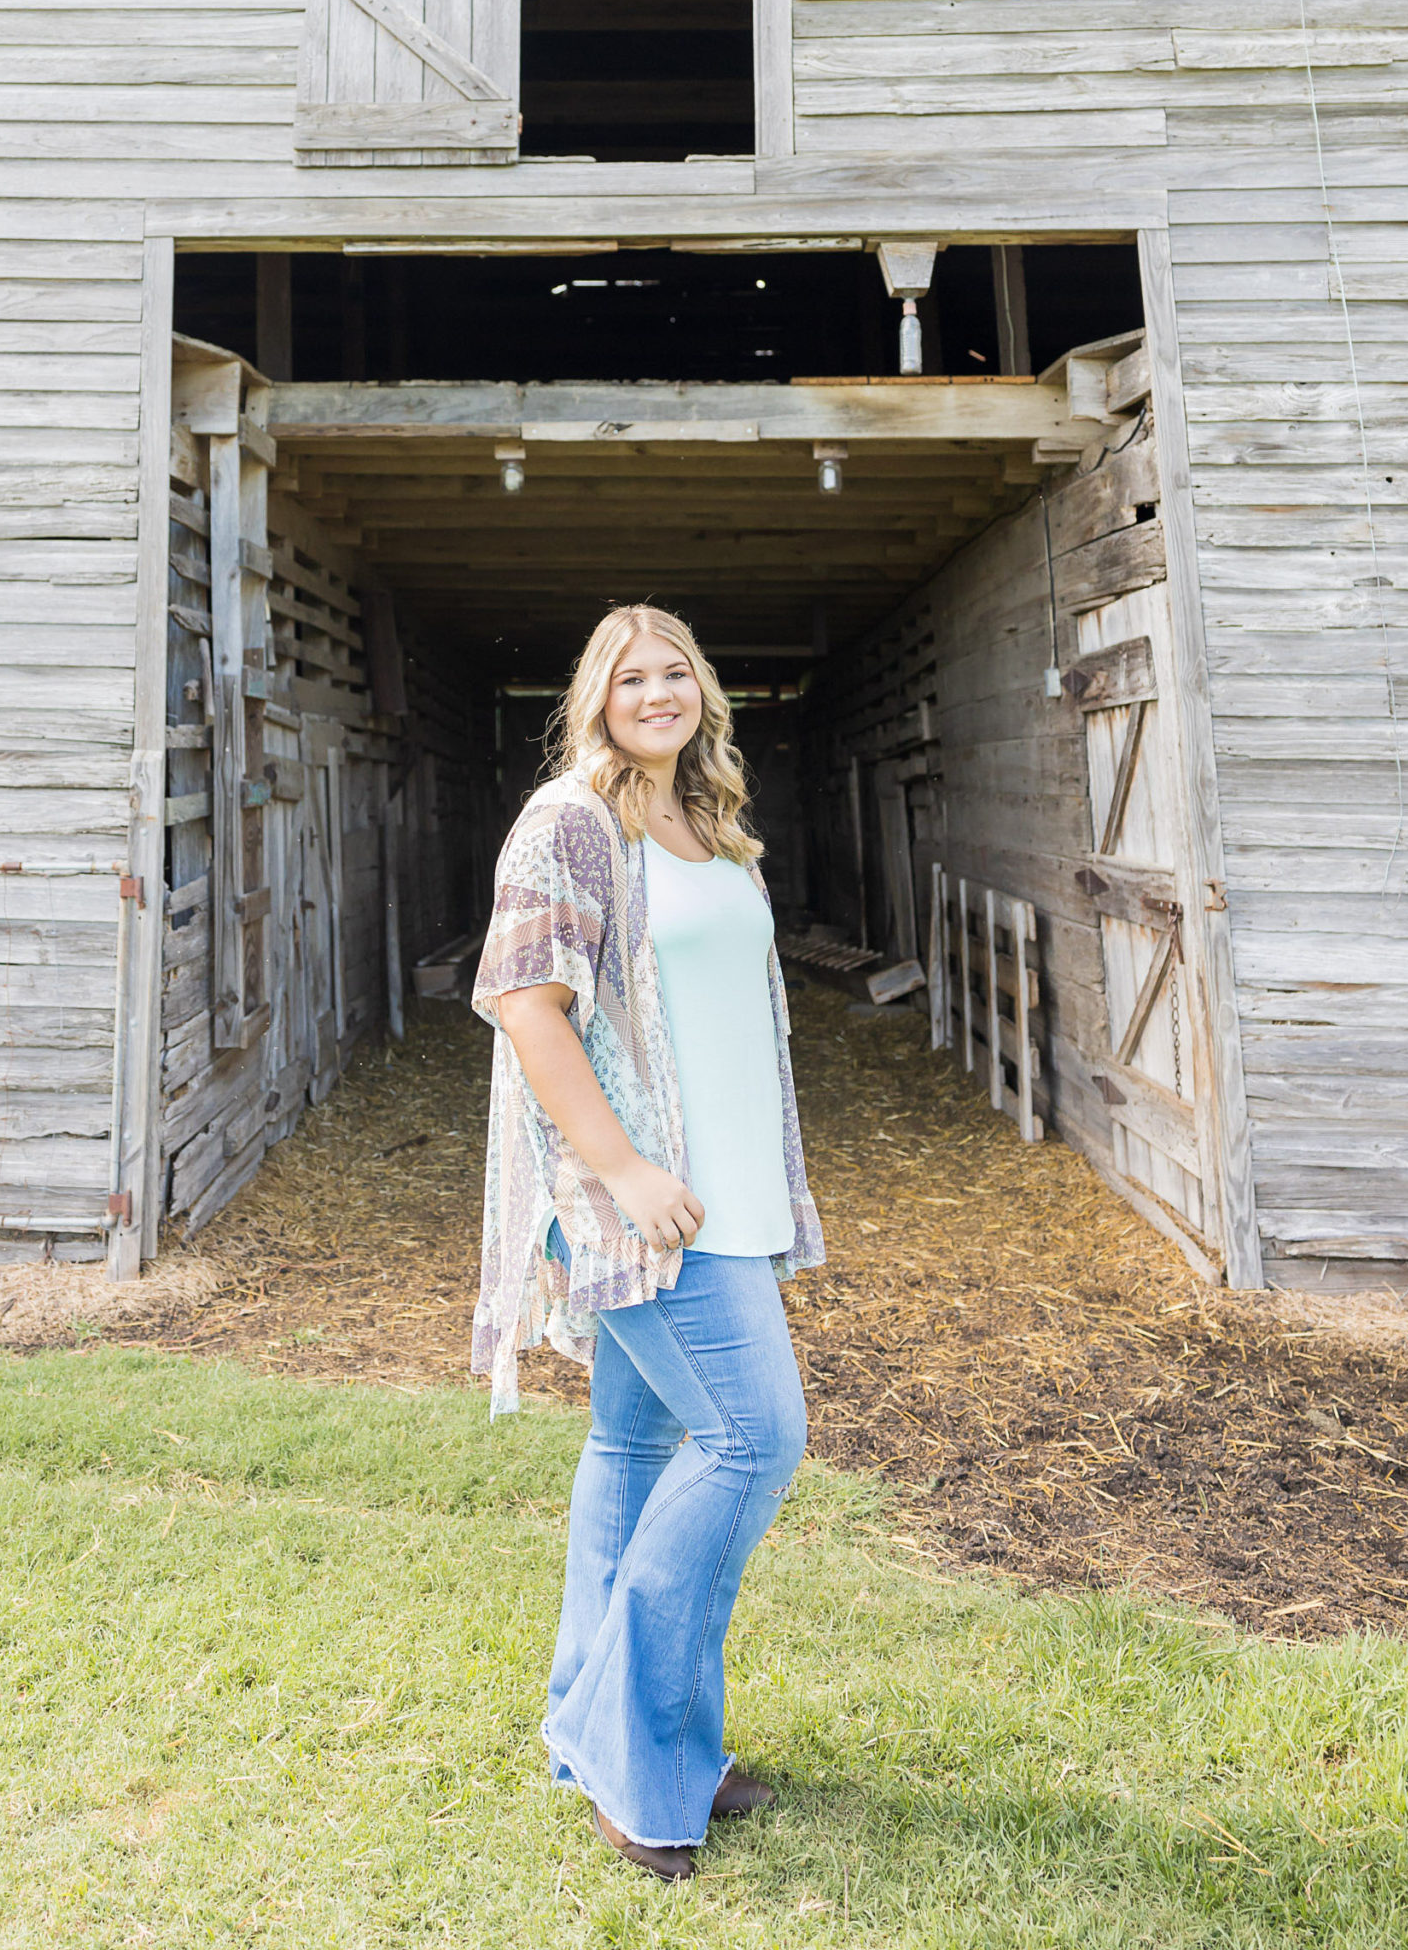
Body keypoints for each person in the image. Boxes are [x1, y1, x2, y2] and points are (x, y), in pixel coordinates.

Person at [471, 603, 826, 1883]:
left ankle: (597, 1726)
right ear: (597, 696)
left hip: (729, 1191)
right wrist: (619, 1172)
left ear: (704, 691)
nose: (659, 689)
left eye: (677, 669)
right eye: (633, 674)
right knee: (753, 1437)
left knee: (635, 1444)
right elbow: (524, 999)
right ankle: (641, 1747)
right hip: (645, 1203)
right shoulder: (571, 818)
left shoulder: (708, 826)